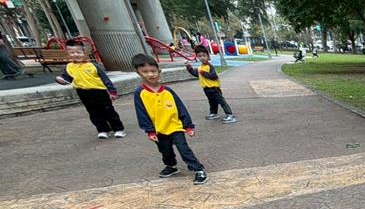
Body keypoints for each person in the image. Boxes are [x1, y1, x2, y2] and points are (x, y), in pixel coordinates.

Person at [131, 53, 207, 184]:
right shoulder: (140, 93)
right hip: (159, 129)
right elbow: (141, 113)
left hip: (175, 127)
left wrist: (188, 126)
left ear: (159, 71)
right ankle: (171, 166)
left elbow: (181, 108)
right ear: (138, 73)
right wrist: (150, 131)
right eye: (145, 72)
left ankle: (198, 169)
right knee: (165, 151)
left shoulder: (168, 91)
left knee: (184, 150)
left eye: (153, 71)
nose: (150, 74)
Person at [55, 40, 125, 139]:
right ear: (68, 54)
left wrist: (112, 92)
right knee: (93, 112)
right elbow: (67, 79)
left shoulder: (93, 66)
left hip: (99, 92)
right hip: (83, 92)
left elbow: (105, 79)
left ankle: (118, 129)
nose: (76, 55)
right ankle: (103, 130)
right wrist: (60, 80)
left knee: (108, 111)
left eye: (78, 52)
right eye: (72, 52)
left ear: (84, 52)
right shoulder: (69, 67)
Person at [186, 46, 237, 123]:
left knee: (221, 101)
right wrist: (189, 68)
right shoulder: (200, 67)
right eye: (200, 56)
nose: (202, 58)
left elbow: (214, 76)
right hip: (206, 88)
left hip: (214, 88)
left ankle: (230, 115)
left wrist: (204, 73)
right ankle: (213, 113)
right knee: (212, 102)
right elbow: (196, 74)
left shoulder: (210, 66)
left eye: (204, 56)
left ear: (208, 56)